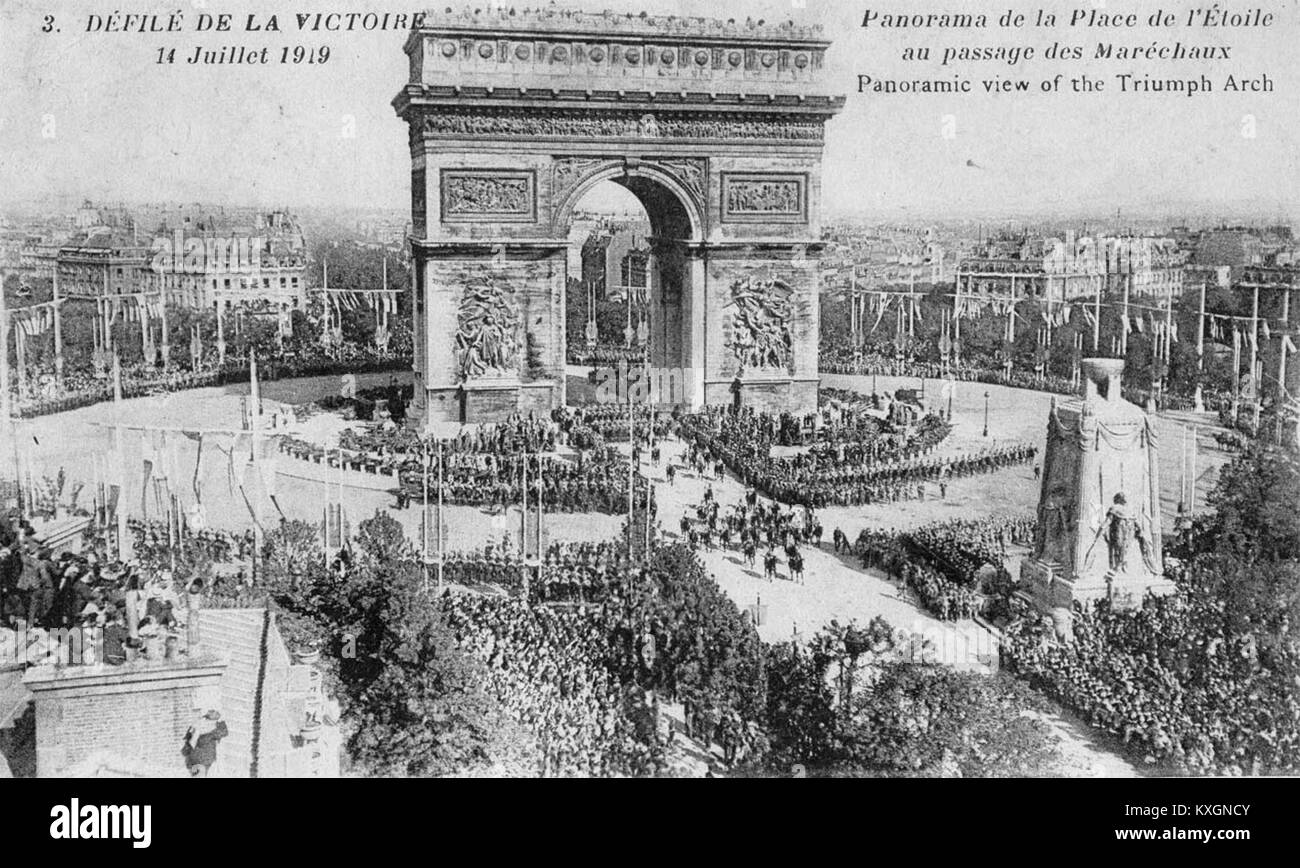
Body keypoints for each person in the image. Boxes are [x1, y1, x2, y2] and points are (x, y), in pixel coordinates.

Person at [182, 710, 229, 777]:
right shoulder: (210, 733)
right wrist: (221, 721)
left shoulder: (197, 724)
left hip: (195, 757)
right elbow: (224, 732)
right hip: (202, 759)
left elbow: (189, 741)